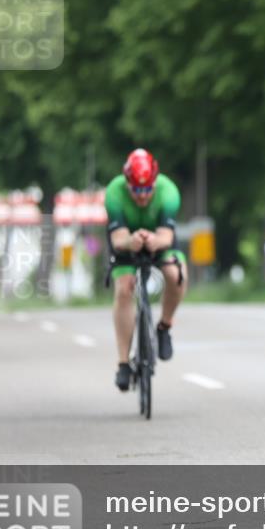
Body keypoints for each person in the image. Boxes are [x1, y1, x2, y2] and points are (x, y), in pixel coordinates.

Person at [105, 149, 188, 391]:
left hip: (158, 241)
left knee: (176, 275)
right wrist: (130, 241)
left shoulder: (168, 192)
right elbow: (117, 239)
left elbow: (167, 236)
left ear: (155, 181)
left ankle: (164, 326)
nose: (142, 196)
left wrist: (154, 240)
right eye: (136, 190)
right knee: (124, 289)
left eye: (147, 189)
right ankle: (123, 363)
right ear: (127, 183)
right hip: (126, 243)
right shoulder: (114, 192)